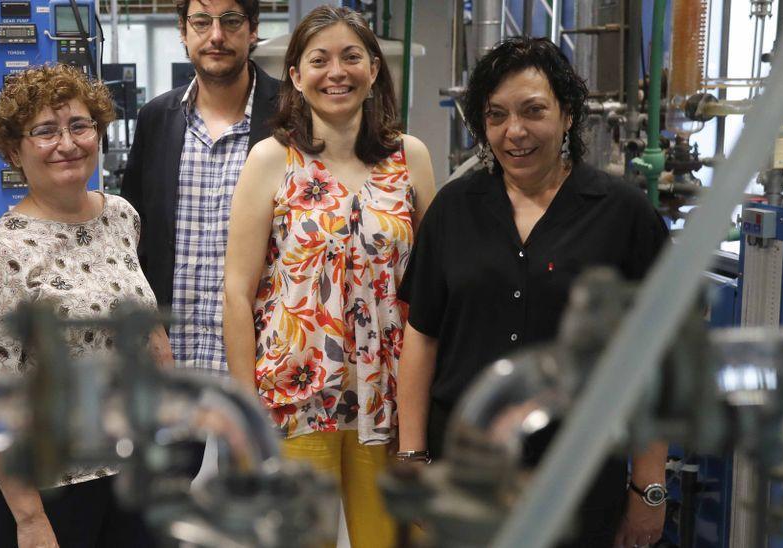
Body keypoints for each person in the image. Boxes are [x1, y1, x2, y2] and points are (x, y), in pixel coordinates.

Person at [396, 37, 669, 548]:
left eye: (532, 111)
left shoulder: (622, 215)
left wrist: (649, 486)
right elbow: (422, 339)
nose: (514, 132)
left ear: (567, 115)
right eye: (496, 116)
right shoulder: (454, 210)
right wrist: (413, 460)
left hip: (581, 478)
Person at [222, 7, 436, 548]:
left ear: (373, 71)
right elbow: (236, 292)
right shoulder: (270, 159)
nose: (335, 71)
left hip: (387, 399)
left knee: (389, 540)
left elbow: (434, 288)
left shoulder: (410, 158)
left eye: (351, 57)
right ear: (296, 75)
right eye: (319, 60)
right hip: (294, 399)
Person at [0, 63, 168, 548]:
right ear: (15, 149)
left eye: (79, 126)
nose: (67, 144)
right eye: (45, 132)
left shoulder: (120, 217)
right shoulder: (0, 256)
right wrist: (29, 520)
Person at [121, 0, 280, 374]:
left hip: (265, 360)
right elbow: (131, 237)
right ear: (183, 30)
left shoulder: (292, 114)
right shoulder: (156, 119)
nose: (216, 35)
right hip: (171, 360)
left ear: (253, 28)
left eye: (231, 20)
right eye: (202, 21)